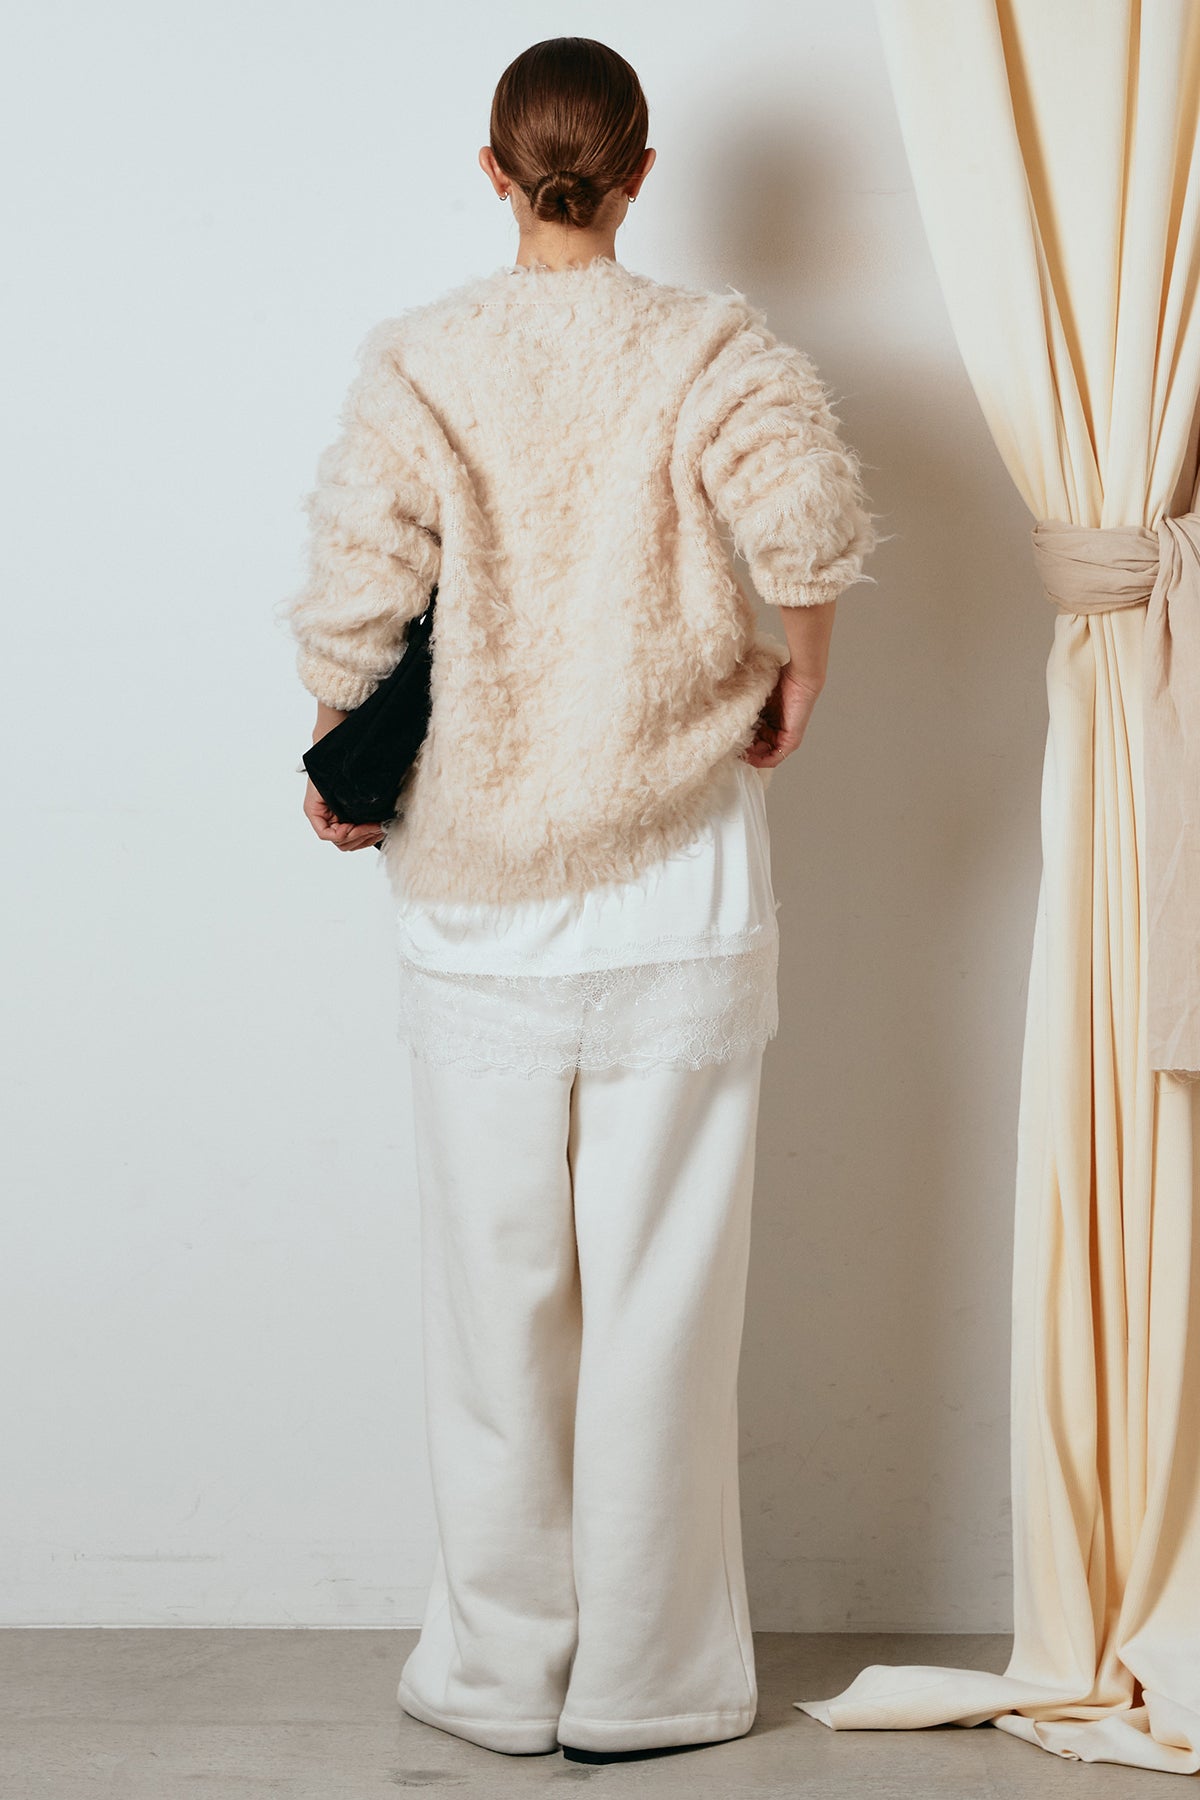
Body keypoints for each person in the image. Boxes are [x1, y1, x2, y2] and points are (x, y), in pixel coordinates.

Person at [280, 35, 877, 1766]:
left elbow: (357, 590)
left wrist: (336, 749)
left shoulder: (425, 361)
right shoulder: (712, 349)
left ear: (494, 171)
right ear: (640, 174)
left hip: (479, 894)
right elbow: (807, 523)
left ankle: (495, 1677)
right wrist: (802, 674)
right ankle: (648, 1686)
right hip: (678, 880)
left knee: (496, 1308)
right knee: (663, 1307)